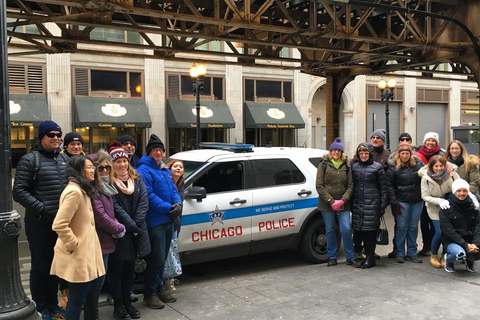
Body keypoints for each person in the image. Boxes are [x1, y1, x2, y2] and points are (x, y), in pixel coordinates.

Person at [12, 120, 68, 320]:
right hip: (39, 224)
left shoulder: (64, 160)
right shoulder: (30, 160)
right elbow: (18, 191)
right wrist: (42, 209)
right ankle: (41, 307)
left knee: (56, 266)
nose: (56, 138)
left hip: (60, 225)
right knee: (40, 266)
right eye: (51, 135)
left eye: (58, 135)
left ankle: (53, 306)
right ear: (41, 137)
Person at [50, 156, 105, 320]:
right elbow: (59, 224)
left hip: (88, 254)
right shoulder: (74, 191)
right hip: (78, 255)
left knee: (89, 292)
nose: (93, 170)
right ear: (79, 170)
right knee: (77, 299)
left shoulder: (83, 189)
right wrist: (74, 243)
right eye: (88, 167)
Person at [136, 134, 182, 309]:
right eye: (155, 149)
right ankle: (149, 294)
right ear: (148, 152)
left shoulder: (163, 169)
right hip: (156, 221)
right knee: (156, 259)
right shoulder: (143, 170)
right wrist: (168, 208)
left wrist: (178, 203)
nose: (158, 152)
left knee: (162, 259)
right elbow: (148, 195)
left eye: (161, 149)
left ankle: (159, 288)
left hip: (168, 220)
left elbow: (173, 189)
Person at [109, 141, 150, 320]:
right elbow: (115, 207)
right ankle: (118, 305)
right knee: (117, 271)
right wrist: (131, 225)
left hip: (136, 231)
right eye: (118, 162)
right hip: (120, 233)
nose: (122, 164)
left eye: (125, 161)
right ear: (112, 164)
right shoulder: (109, 182)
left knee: (130, 270)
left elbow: (143, 201)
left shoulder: (137, 178)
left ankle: (128, 302)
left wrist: (137, 223)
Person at [90, 150, 127, 317]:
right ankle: (92, 315)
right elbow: (101, 217)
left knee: (99, 280)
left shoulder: (107, 187)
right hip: (97, 240)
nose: (105, 171)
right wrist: (119, 228)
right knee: (95, 282)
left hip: (107, 239)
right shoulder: (94, 189)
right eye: (100, 168)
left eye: (107, 167)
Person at [315, 138, 360, 268]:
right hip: (327, 205)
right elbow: (319, 186)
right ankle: (332, 256)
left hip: (343, 204)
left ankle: (350, 257)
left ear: (341, 152)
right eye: (334, 150)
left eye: (338, 150)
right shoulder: (323, 165)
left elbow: (351, 185)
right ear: (330, 151)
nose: (336, 152)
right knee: (329, 230)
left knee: (345, 229)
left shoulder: (346, 165)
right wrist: (331, 201)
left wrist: (342, 200)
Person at [351, 143, 388, 269]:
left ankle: (370, 257)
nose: (363, 155)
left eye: (366, 153)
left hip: (372, 204)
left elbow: (383, 188)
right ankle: (360, 255)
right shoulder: (355, 167)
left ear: (370, 154)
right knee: (359, 231)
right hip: (358, 204)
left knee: (370, 233)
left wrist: (382, 205)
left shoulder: (377, 167)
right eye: (361, 153)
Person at [386, 142, 424, 263]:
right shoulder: (393, 167)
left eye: (407, 153)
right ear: (399, 154)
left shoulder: (418, 165)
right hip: (402, 201)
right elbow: (389, 186)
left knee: (413, 227)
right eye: (402, 153)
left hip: (417, 201)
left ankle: (412, 252)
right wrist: (394, 201)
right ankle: (400, 252)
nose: (404, 155)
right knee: (402, 227)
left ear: (410, 154)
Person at [419, 155, 460, 268]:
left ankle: (444, 254)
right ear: (431, 166)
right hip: (434, 208)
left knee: (448, 232)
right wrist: (439, 201)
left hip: (450, 208)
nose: (439, 168)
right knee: (439, 231)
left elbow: (459, 187)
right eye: (436, 166)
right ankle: (433, 254)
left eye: (441, 165)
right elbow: (425, 196)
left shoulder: (452, 174)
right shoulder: (425, 177)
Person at [440, 179, 480, 273]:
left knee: (476, 249)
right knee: (458, 254)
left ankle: (470, 260)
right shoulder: (446, 207)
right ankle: (449, 260)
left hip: (470, 239)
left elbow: (478, 226)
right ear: (454, 192)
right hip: (452, 241)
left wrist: (475, 244)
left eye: (464, 191)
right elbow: (448, 231)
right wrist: (465, 245)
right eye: (458, 191)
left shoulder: (473, 207)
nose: (462, 193)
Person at [417, 132, 446, 257]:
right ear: (424, 142)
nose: (430, 143)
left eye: (433, 141)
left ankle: (435, 245)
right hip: (423, 192)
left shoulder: (442, 154)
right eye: (428, 140)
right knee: (424, 221)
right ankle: (426, 245)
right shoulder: (418, 154)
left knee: (436, 221)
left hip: (439, 195)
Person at [164, 159, 186, 292]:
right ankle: (167, 281)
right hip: (166, 221)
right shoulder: (166, 182)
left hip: (175, 222)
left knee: (171, 252)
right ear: (169, 168)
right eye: (175, 166)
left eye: (181, 167)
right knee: (167, 252)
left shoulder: (181, 184)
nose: (178, 168)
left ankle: (169, 280)